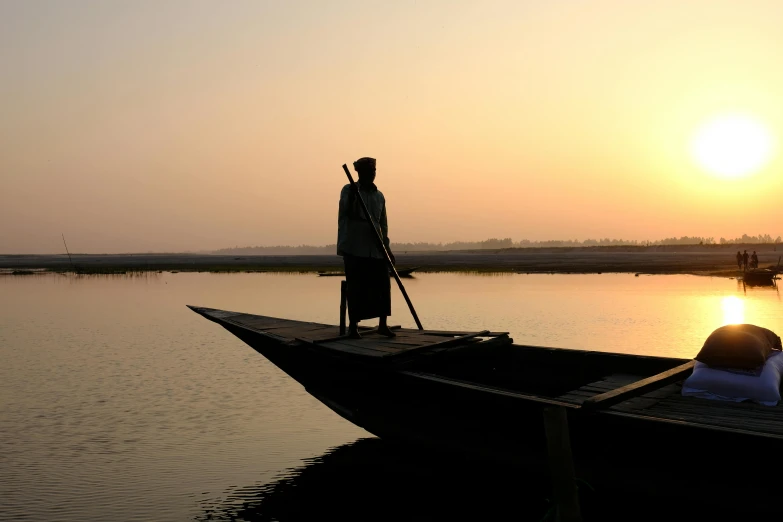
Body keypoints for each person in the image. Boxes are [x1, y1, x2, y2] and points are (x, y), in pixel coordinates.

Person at [337, 157, 396, 339]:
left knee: (383, 284)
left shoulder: (379, 196)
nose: (372, 175)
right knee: (357, 287)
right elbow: (345, 210)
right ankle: (353, 327)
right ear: (360, 173)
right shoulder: (349, 190)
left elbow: (383, 224)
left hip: (376, 247)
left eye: (374, 172)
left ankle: (382, 325)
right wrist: (354, 195)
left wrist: (387, 248)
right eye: (368, 172)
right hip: (355, 247)